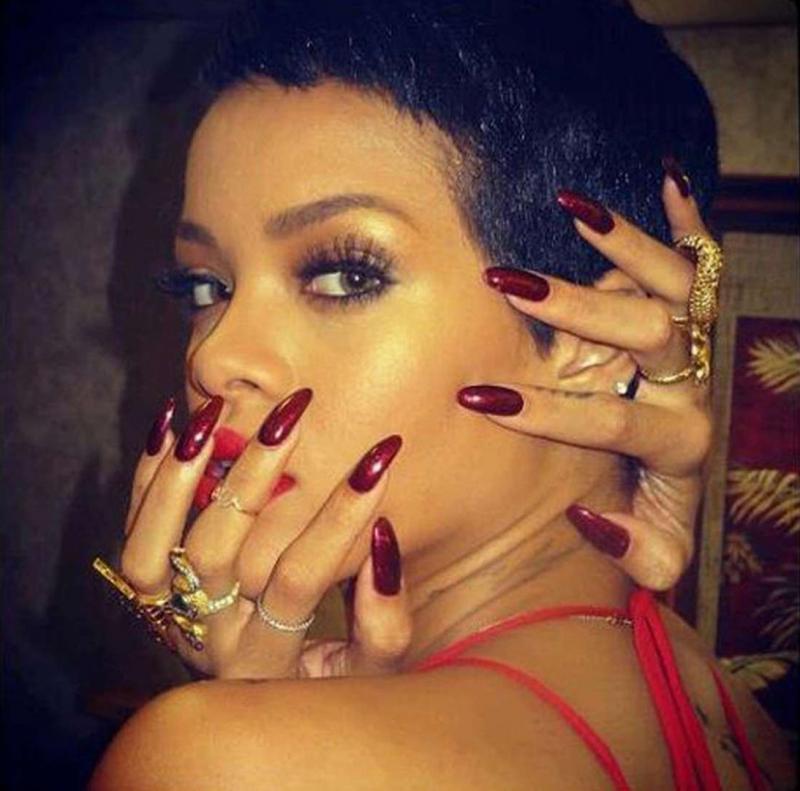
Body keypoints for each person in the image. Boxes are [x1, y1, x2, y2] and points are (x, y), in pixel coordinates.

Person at [90, 1, 794, 788]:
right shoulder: (727, 709)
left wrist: (239, 718)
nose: (214, 358)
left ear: (591, 340)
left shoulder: (216, 760)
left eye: (343, 274)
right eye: (204, 285)